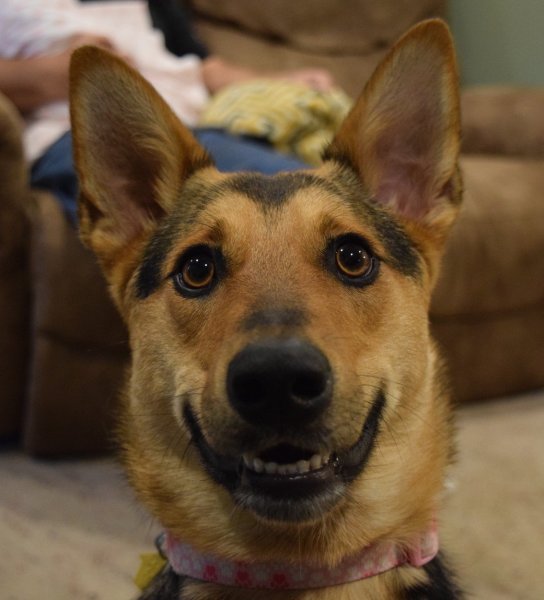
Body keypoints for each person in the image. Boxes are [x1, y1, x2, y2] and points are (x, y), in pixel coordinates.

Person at [0, 0, 335, 222]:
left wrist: (282, 81)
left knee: (324, 194)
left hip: (194, 122)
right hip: (75, 130)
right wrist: (68, 75)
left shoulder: (157, 6)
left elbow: (203, 67)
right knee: (310, 203)